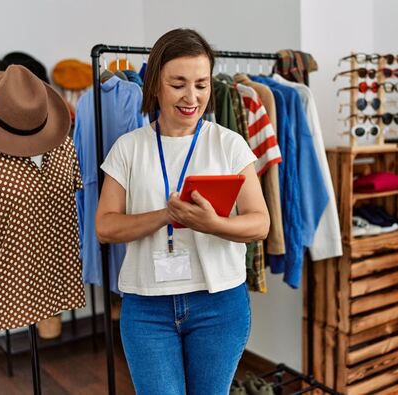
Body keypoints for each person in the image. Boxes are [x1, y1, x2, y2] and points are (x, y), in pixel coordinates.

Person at [95, 28, 270, 395]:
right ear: (155, 84)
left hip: (219, 304)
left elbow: (260, 223)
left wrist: (213, 224)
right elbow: (105, 227)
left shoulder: (229, 144)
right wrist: (166, 216)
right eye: (178, 84)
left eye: (202, 84)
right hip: (147, 308)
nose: (192, 97)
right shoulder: (128, 148)